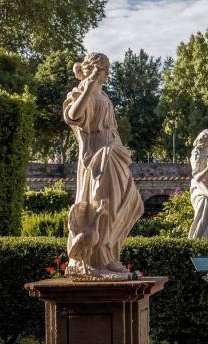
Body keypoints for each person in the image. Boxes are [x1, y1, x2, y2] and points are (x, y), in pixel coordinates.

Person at [63, 52, 143, 279]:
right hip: (97, 157)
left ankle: (110, 255)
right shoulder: (79, 93)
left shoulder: (105, 96)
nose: (104, 73)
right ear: (89, 70)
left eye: (106, 69)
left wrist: (121, 148)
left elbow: (111, 128)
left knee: (132, 203)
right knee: (103, 205)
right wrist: (88, 87)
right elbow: (73, 115)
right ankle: (98, 259)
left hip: (114, 154)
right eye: (100, 68)